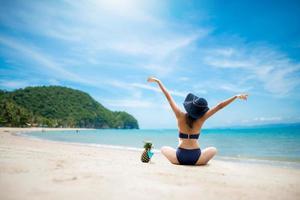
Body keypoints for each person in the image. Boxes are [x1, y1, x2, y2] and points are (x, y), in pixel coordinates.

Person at [147, 77, 248, 165]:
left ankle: (182, 146)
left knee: (164, 148)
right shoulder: (201, 119)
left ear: (189, 106)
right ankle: (193, 157)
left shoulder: (180, 116)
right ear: (201, 111)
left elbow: (168, 97)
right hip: (196, 158)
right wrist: (235, 96)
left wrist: (158, 81)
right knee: (213, 149)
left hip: (180, 157)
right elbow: (219, 106)